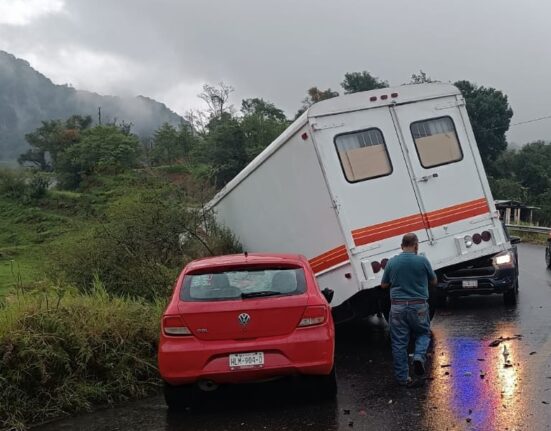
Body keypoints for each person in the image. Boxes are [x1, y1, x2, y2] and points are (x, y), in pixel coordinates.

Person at [380, 233, 437, 387]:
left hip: (398, 307)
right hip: (419, 306)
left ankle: (403, 378)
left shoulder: (392, 262)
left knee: (399, 343)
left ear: (401, 246)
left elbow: (383, 285)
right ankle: (418, 357)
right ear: (416, 245)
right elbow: (434, 280)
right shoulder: (422, 260)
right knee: (423, 334)